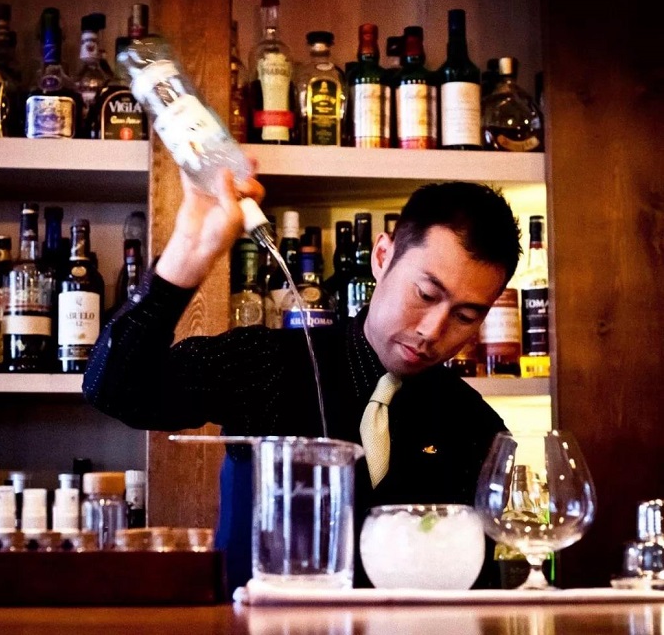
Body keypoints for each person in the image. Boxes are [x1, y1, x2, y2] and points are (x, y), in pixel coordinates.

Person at [83, 166, 522, 591]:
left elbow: (474, 583)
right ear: (382, 257)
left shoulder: (476, 428)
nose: (433, 330)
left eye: (465, 316)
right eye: (425, 294)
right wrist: (186, 255)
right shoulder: (267, 362)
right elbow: (117, 388)